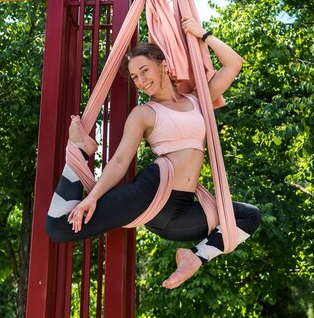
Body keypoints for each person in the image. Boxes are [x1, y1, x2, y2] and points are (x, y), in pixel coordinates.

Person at [46, 16, 260, 289]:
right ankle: (80, 148)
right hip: (149, 195)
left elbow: (234, 63)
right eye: (135, 76)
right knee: (58, 227)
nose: (140, 80)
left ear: (164, 66)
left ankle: (194, 258)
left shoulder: (197, 99)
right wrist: (93, 198)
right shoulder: (144, 113)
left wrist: (202, 34)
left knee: (249, 216)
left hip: (179, 212)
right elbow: (122, 160)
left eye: (144, 70)